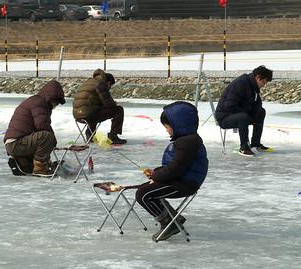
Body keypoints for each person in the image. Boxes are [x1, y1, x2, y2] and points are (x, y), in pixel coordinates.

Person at [135, 101, 208, 241]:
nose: (167, 130)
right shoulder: (185, 140)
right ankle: (172, 217)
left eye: (167, 127)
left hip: (186, 183)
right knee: (146, 188)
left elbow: (176, 169)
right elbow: (175, 165)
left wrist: (156, 175)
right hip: (181, 180)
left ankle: (169, 223)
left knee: (143, 194)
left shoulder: (187, 142)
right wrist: (156, 172)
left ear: (178, 125)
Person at [4, 80, 66, 177]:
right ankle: (40, 168)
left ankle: (23, 162)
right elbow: (42, 125)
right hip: (17, 143)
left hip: (15, 142)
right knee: (46, 136)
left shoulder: (36, 101)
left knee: (30, 166)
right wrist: (52, 141)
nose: (55, 106)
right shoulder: (39, 103)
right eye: (56, 102)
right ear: (50, 98)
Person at [215, 65, 273, 156]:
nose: (264, 85)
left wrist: (255, 113)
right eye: (264, 82)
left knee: (261, 112)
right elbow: (230, 105)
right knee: (243, 117)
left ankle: (255, 144)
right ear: (258, 78)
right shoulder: (241, 83)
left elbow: (257, 103)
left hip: (238, 114)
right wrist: (246, 114)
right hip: (224, 117)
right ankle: (244, 147)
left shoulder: (253, 86)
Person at [72, 69, 127, 145]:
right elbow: (108, 104)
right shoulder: (101, 84)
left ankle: (90, 134)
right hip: (89, 115)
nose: (110, 88)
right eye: (110, 86)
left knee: (93, 110)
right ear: (108, 83)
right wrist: (114, 104)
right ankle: (113, 136)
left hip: (77, 115)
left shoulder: (88, 82)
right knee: (119, 110)